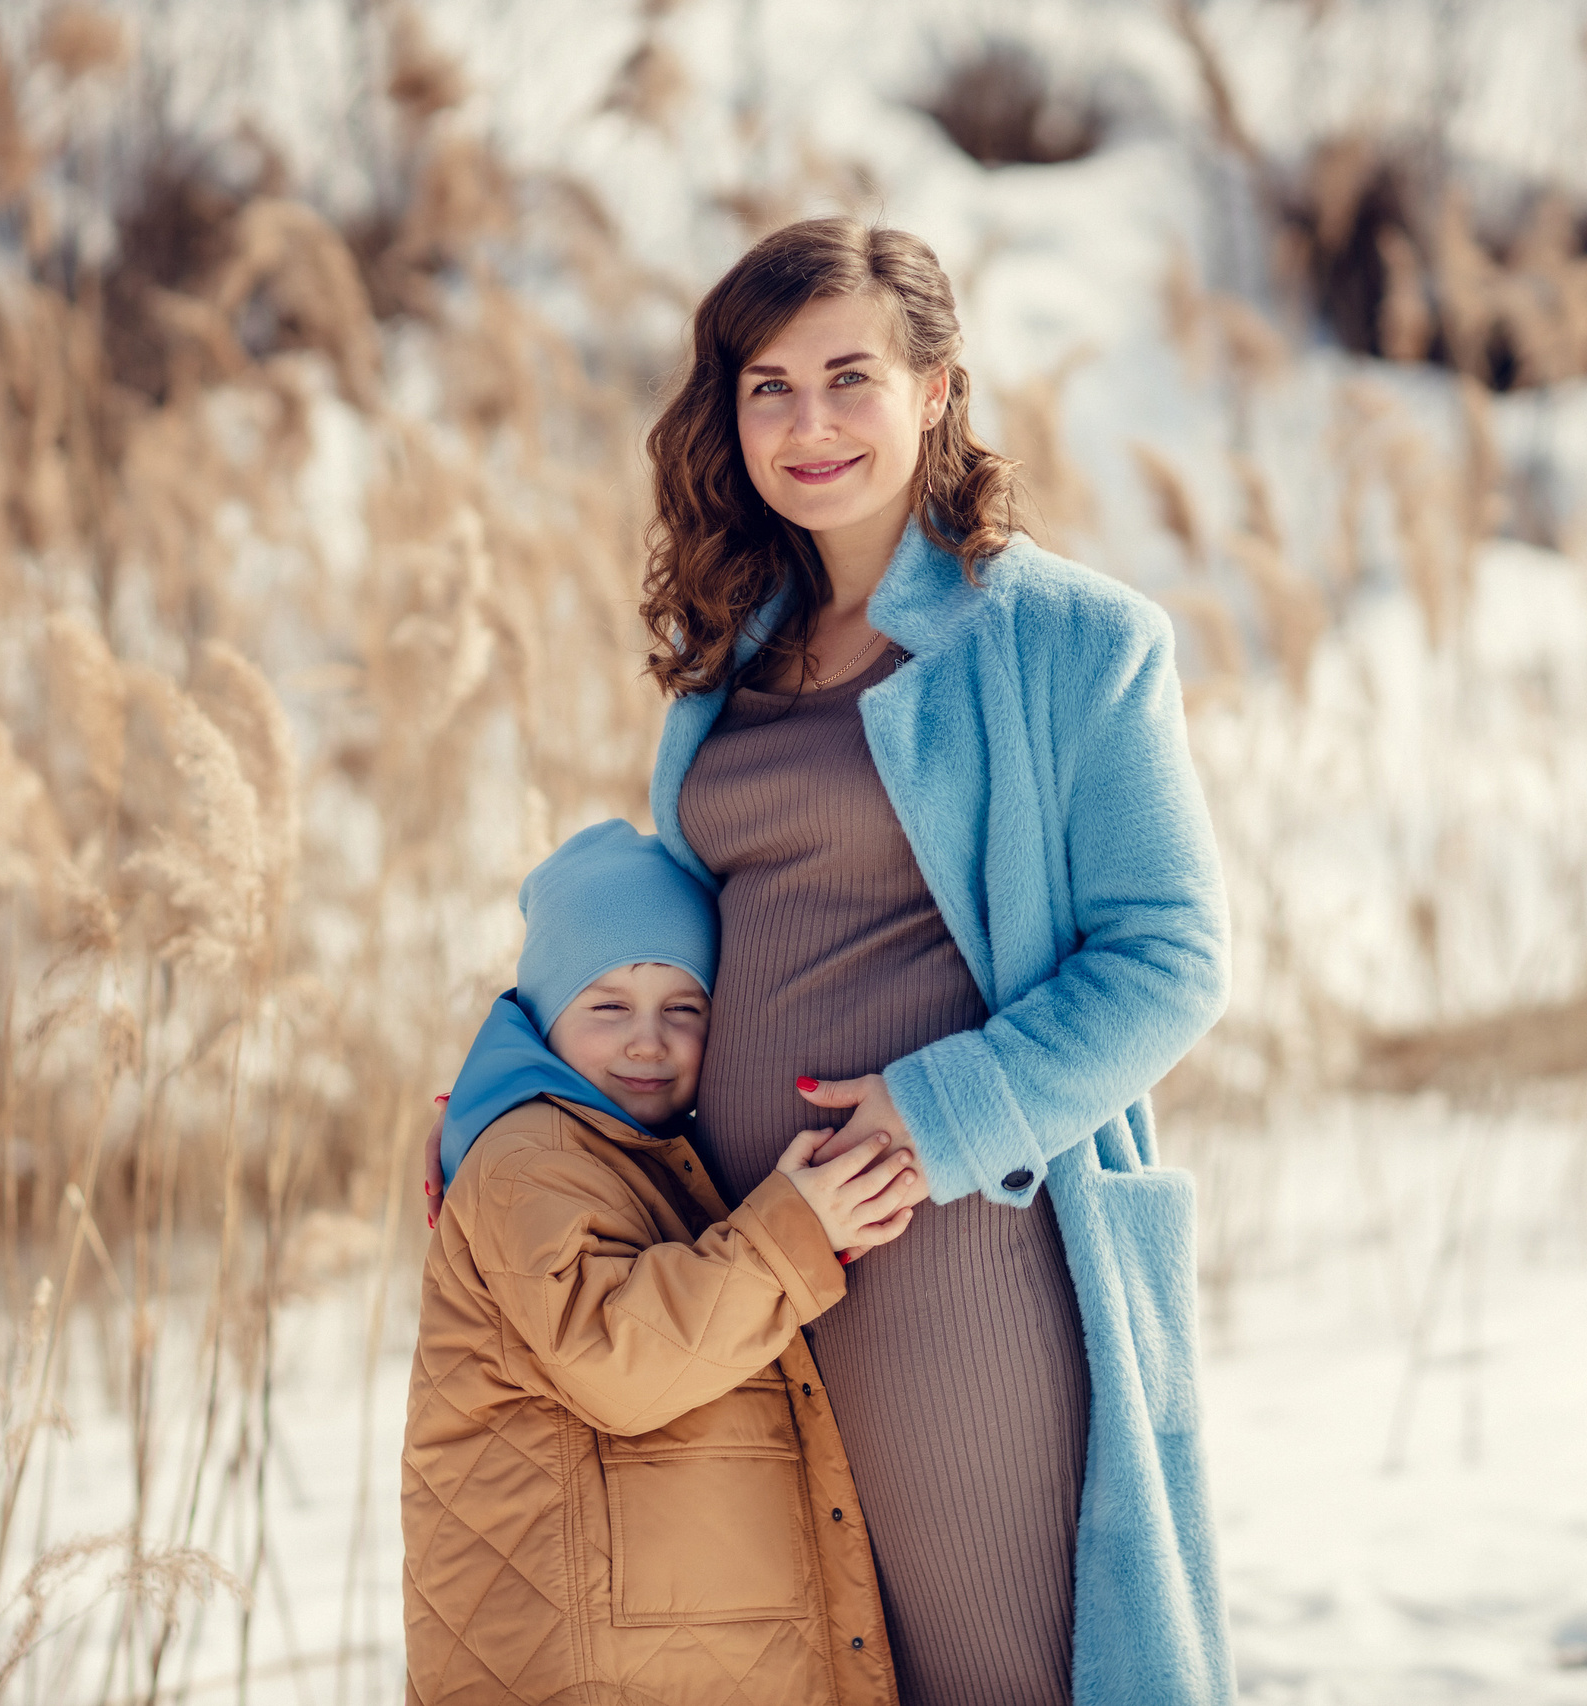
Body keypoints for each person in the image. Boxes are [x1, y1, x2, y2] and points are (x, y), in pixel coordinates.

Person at [641, 217, 1233, 1705]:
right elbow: (664, 933)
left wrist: (939, 1112)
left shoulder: (1068, 639)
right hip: (742, 1267)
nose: (809, 423)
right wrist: (524, 1111)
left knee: (1000, 1671)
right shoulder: (734, 644)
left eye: (850, 376)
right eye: (767, 386)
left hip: (952, 1262)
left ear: (936, 387)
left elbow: (1171, 956)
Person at [401, 818, 927, 1706]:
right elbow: (618, 1357)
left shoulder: (617, 1152)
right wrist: (792, 1231)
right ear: (543, 1012)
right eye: (607, 1007)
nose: (648, 1041)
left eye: (682, 1010)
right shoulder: (530, 1158)